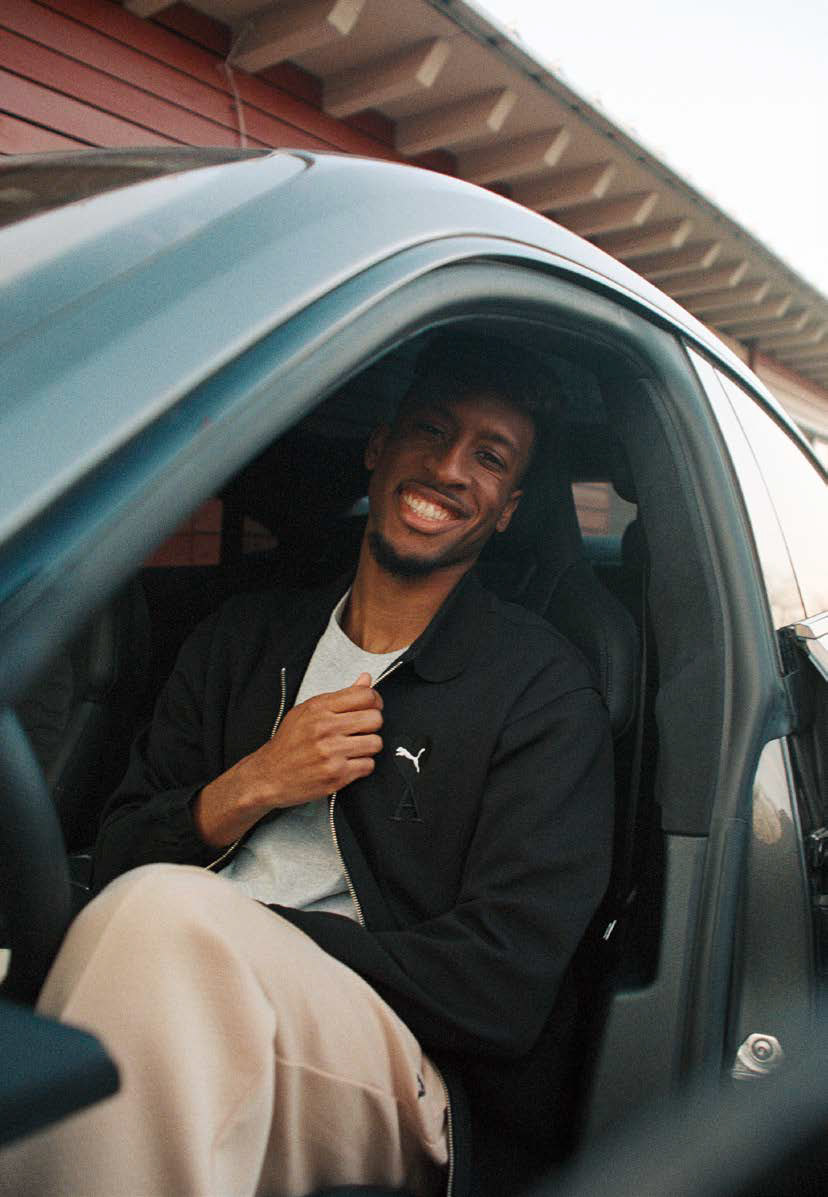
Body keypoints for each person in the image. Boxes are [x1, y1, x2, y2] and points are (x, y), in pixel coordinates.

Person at [1, 333, 614, 1197]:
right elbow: (116, 858)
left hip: (405, 1062)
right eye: (431, 430)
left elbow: (501, 988)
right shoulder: (241, 639)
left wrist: (240, 929)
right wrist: (256, 782)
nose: (448, 467)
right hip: (170, 965)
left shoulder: (541, 693)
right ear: (379, 447)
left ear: (508, 507)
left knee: (164, 920)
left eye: (489, 456)